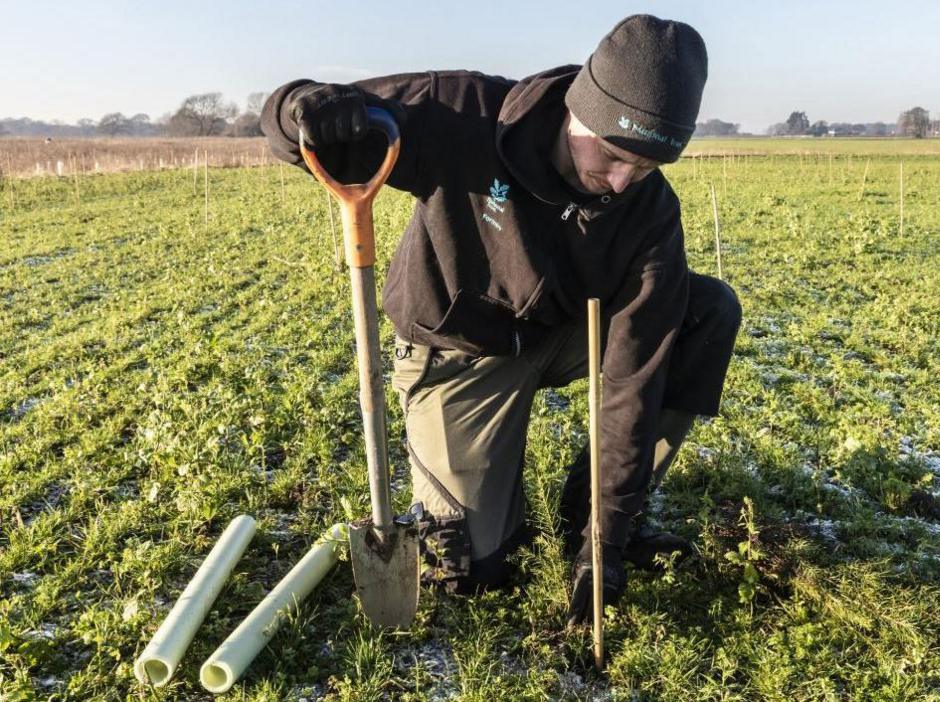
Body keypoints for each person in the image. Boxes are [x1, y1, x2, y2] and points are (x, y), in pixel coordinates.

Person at [260, 14, 740, 624]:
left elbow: (632, 383)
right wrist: (299, 108)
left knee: (707, 311)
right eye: (615, 155)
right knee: (474, 571)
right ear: (580, 110)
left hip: (566, 332)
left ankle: (586, 516)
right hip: (459, 353)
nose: (621, 182)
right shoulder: (465, 112)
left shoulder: (648, 214)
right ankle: (481, 527)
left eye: (644, 169)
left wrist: (606, 540)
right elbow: (297, 122)